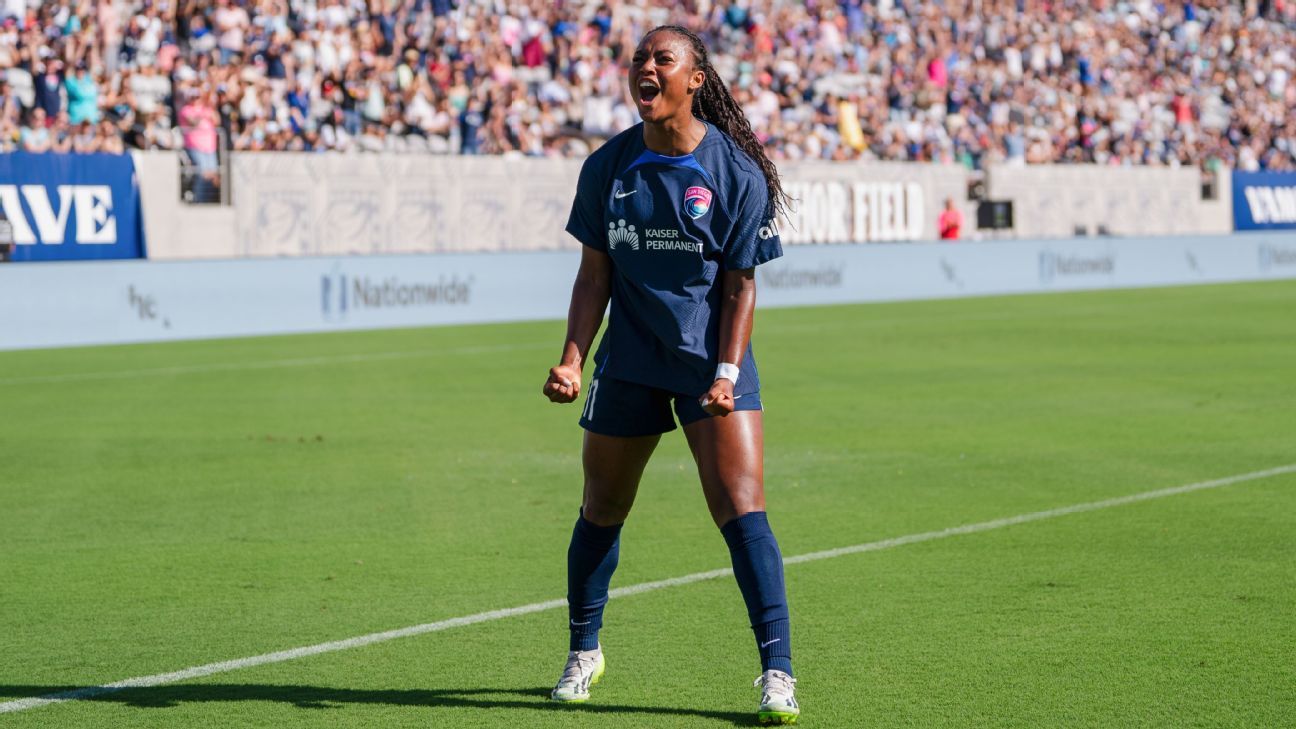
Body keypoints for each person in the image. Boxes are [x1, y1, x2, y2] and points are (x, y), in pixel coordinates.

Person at [541, 25, 799, 725]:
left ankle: (777, 670)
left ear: (694, 80)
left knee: (742, 509)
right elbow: (593, 274)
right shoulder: (607, 166)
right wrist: (571, 354)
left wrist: (725, 370)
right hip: (627, 360)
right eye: (639, 61)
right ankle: (583, 651)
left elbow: (742, 286)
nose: (646, 69)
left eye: (663, 59)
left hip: (710, 361)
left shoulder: (735, 172)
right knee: (602, 507)